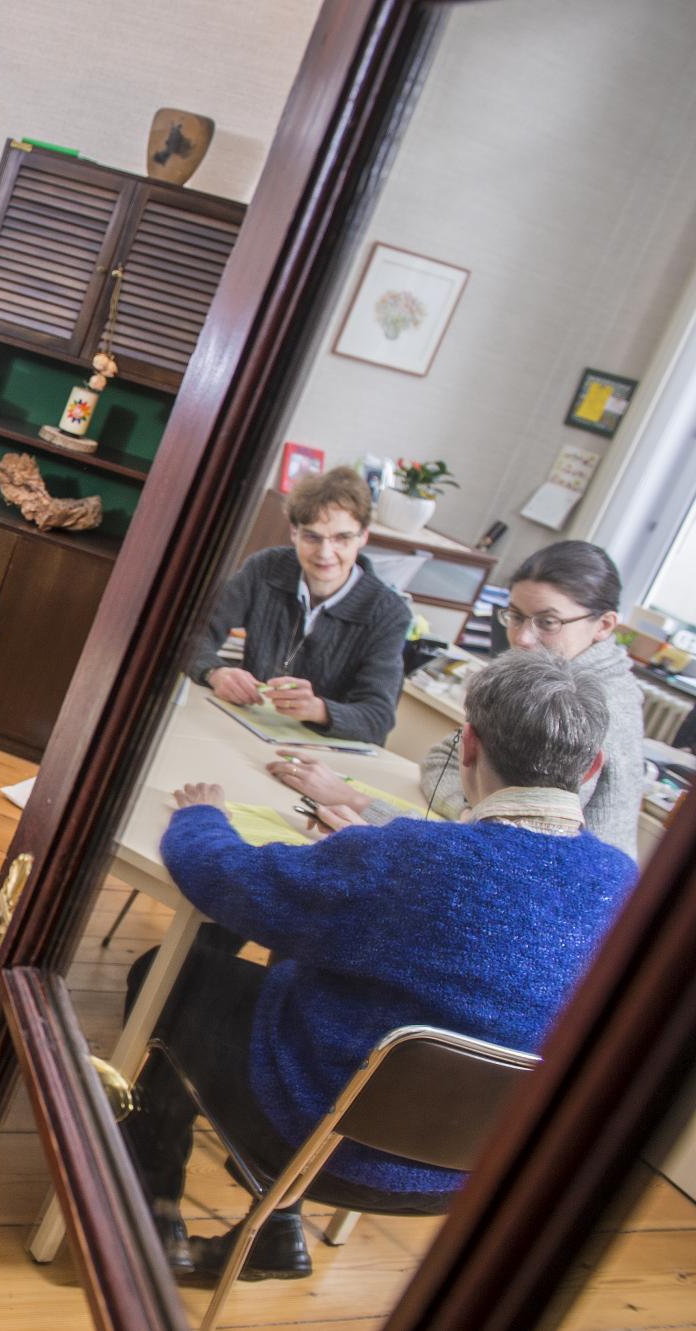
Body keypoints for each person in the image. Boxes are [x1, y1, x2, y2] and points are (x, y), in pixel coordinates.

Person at [126, 650, 635, 1282]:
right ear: (592, 767)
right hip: (480, 1169)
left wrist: (201, 818)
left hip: (329, 1148)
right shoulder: (627, 886)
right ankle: (275, 1228)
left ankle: (150, 1217)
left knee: (167, 973)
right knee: (326, 961)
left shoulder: (411, 857)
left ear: (468, 746)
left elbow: (223, 880)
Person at [270, 539, 646, 855]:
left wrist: (362, 805)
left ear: (604, 625)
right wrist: (473, 809)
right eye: (515, 616)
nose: (523, 638)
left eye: (548, 622)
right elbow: (441, 760)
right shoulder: (543, 674)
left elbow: (501, 851)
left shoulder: (583, 706)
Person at [186, 467, 410, 745]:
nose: (325, 553)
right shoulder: (265, 568)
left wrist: (318, 709)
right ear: (294, 532)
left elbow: (377, 719)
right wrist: (214, 671)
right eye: (312, 537)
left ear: (363, 536)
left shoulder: (388, 613)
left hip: (323, 758)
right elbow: (189, 634)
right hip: (246, 731)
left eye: (342, 538)